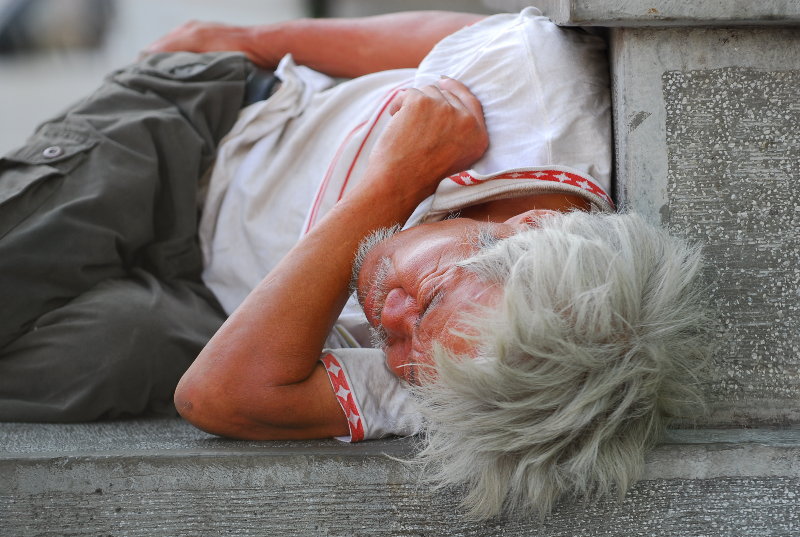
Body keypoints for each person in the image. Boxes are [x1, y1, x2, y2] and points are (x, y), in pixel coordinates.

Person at [0, 8, 711, 519]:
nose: (389, 326)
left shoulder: (484, 389)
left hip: (206, 303)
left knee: (103, 355)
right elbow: (455, 40)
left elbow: (216, 397)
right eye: (428, 299)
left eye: (406, 361)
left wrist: (392, 183)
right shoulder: (540, 92)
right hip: (209, 136)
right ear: (530, 225)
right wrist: (250, 39)